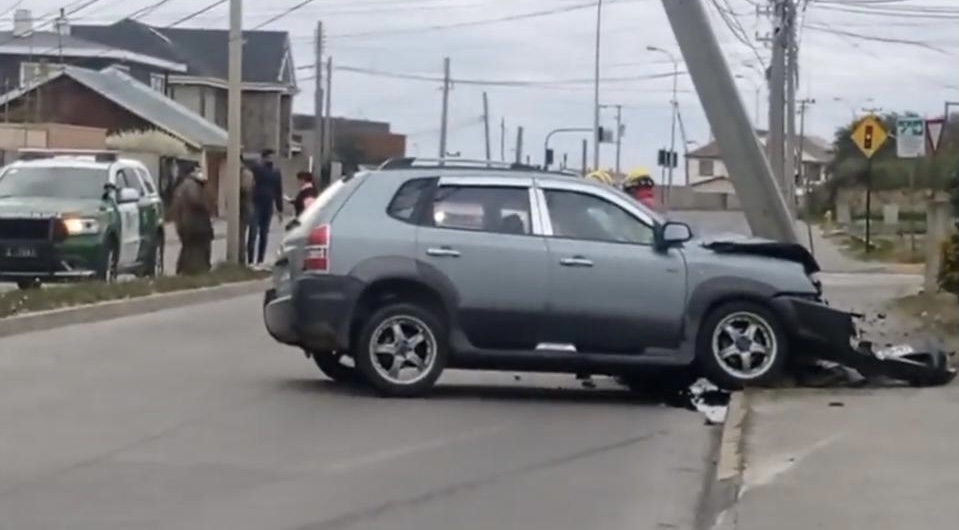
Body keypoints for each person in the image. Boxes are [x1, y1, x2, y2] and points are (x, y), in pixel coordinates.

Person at [170, 166, 214, 275]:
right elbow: (197, 201)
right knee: (199, 248)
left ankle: (182, 270)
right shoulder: (192, 186)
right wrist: (207, 205)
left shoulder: (181, 187)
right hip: (195, 224)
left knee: (187, 248)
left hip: (183, 224)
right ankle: (197, 269)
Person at [248, 148, 283, 266]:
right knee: (253, 232)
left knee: (264, 233)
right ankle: (250, 260)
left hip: (268, 205)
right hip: (256, 203)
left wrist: (280, 209)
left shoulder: (276, 172)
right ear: (264, 157)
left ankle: (260, 260)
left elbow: (278, 191)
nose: (271, 159)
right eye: (269, 157)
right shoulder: (256, 169)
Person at [239, 156, 255, 265]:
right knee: (240, 234)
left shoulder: (245, 174)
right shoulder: (241, 173)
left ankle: (243, 259)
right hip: (244, 206)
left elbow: (246, 189)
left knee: (242, 234)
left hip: (244, 206)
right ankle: (241, 258)